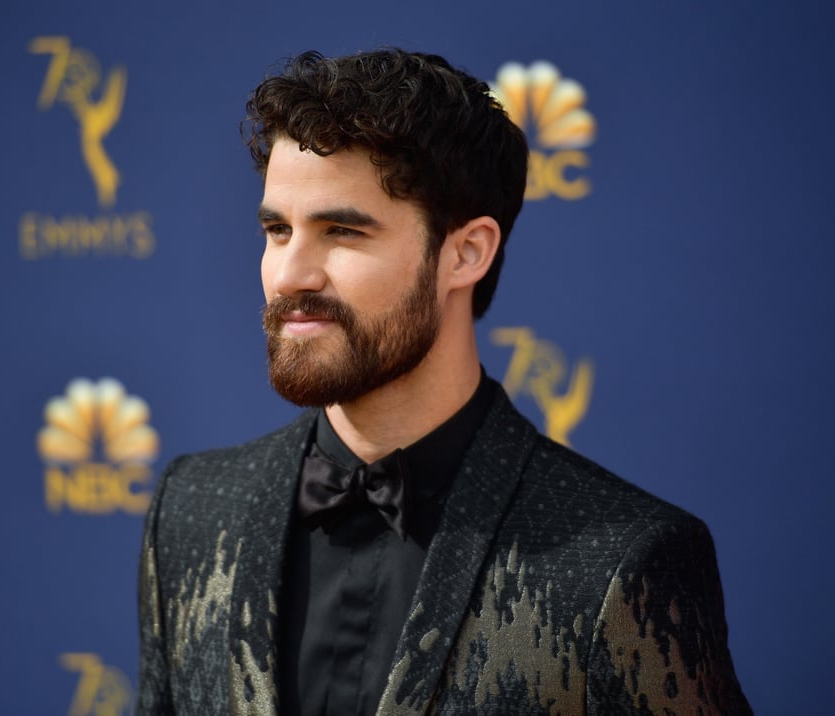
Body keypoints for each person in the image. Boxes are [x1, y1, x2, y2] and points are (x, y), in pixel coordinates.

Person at [137, 48, 750, 715]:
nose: (290, 275)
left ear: (467, 252)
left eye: (342, 231)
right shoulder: (192, 514)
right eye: (278, 230)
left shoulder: (618, 560)